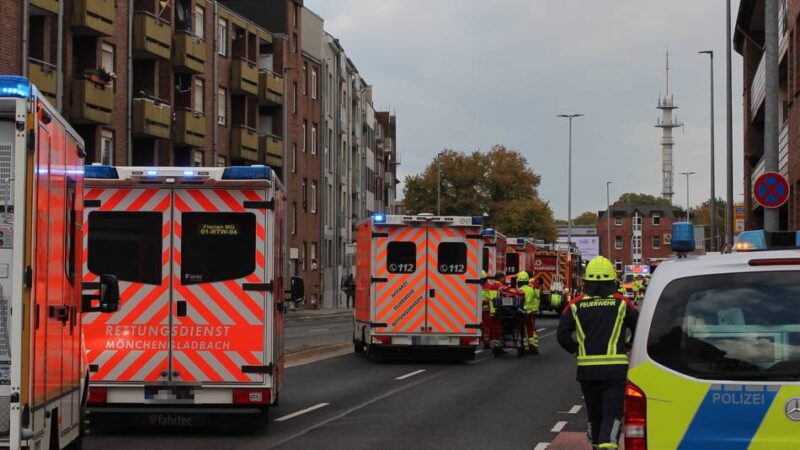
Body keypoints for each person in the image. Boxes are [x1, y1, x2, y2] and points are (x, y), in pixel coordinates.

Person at [557, 256, 638, 450]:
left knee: (594, 413)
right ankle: (607, 446)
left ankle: (596, 444)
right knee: (612, 413)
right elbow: (640, 327)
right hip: (614, 370)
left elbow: (562, 335)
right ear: (612, 281)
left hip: (587, 371)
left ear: (587, 282)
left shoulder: (576, 305)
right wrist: (627, 345)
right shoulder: (622, 303)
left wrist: (578, 350)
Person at [516, 271, 540, 354]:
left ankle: (523, 346)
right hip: (529, 313)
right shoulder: (531, 289)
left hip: (520, 313)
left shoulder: (519, 290)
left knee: (521, 330)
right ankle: (533, 347)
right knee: (531, 330)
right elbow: (534, 299)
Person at [480, 271, 502, 349]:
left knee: (486, 326)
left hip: (483, 309)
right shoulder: (489, 286)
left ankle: (486, 341)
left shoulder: (487, 286)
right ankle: (486, 341)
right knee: (487, 326)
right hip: (485, 310)